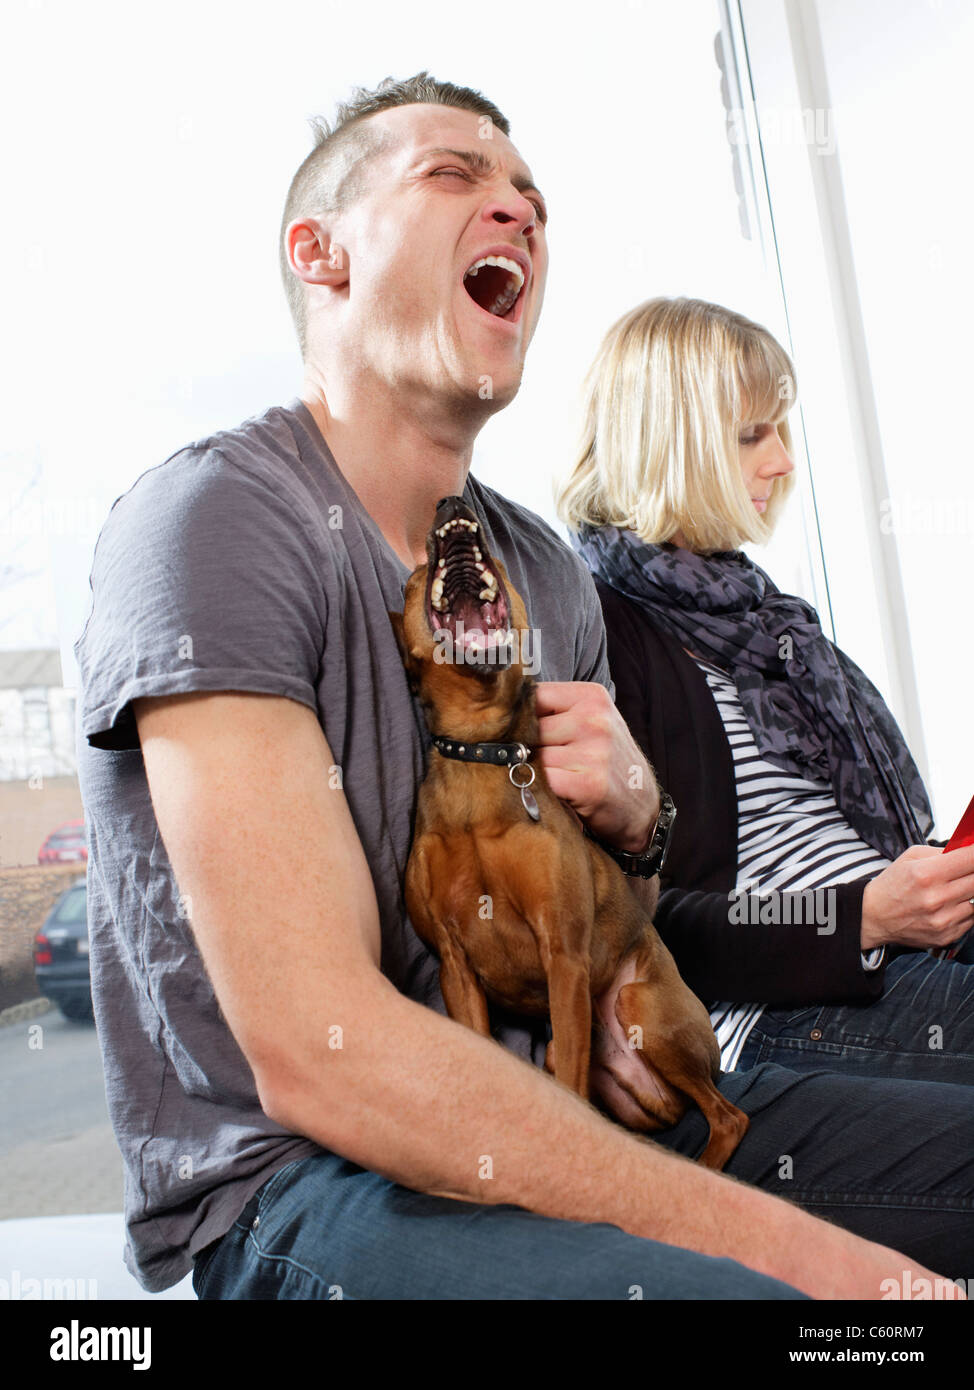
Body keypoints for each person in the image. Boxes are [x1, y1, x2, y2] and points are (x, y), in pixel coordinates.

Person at [73, 77, 974, 1303]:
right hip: (314, 1182)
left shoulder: (543, 571)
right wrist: (811, 1255)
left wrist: (637, 818)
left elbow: (626, 917)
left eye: (531, 199)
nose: (517, 214)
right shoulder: (220, 524)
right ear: (319, 252)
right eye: (454, 176)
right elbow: (322, 1055)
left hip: (581, 1111)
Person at [557, 295, 974, 1082]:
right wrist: (866, 915)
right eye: (751, 435)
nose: (782, 460)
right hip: (777, 1011)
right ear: (670, 445)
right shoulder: (604, 633)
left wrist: (918, 889)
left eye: (779, 431)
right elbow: (648, 926)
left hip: (893, 950)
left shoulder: (766, 618)